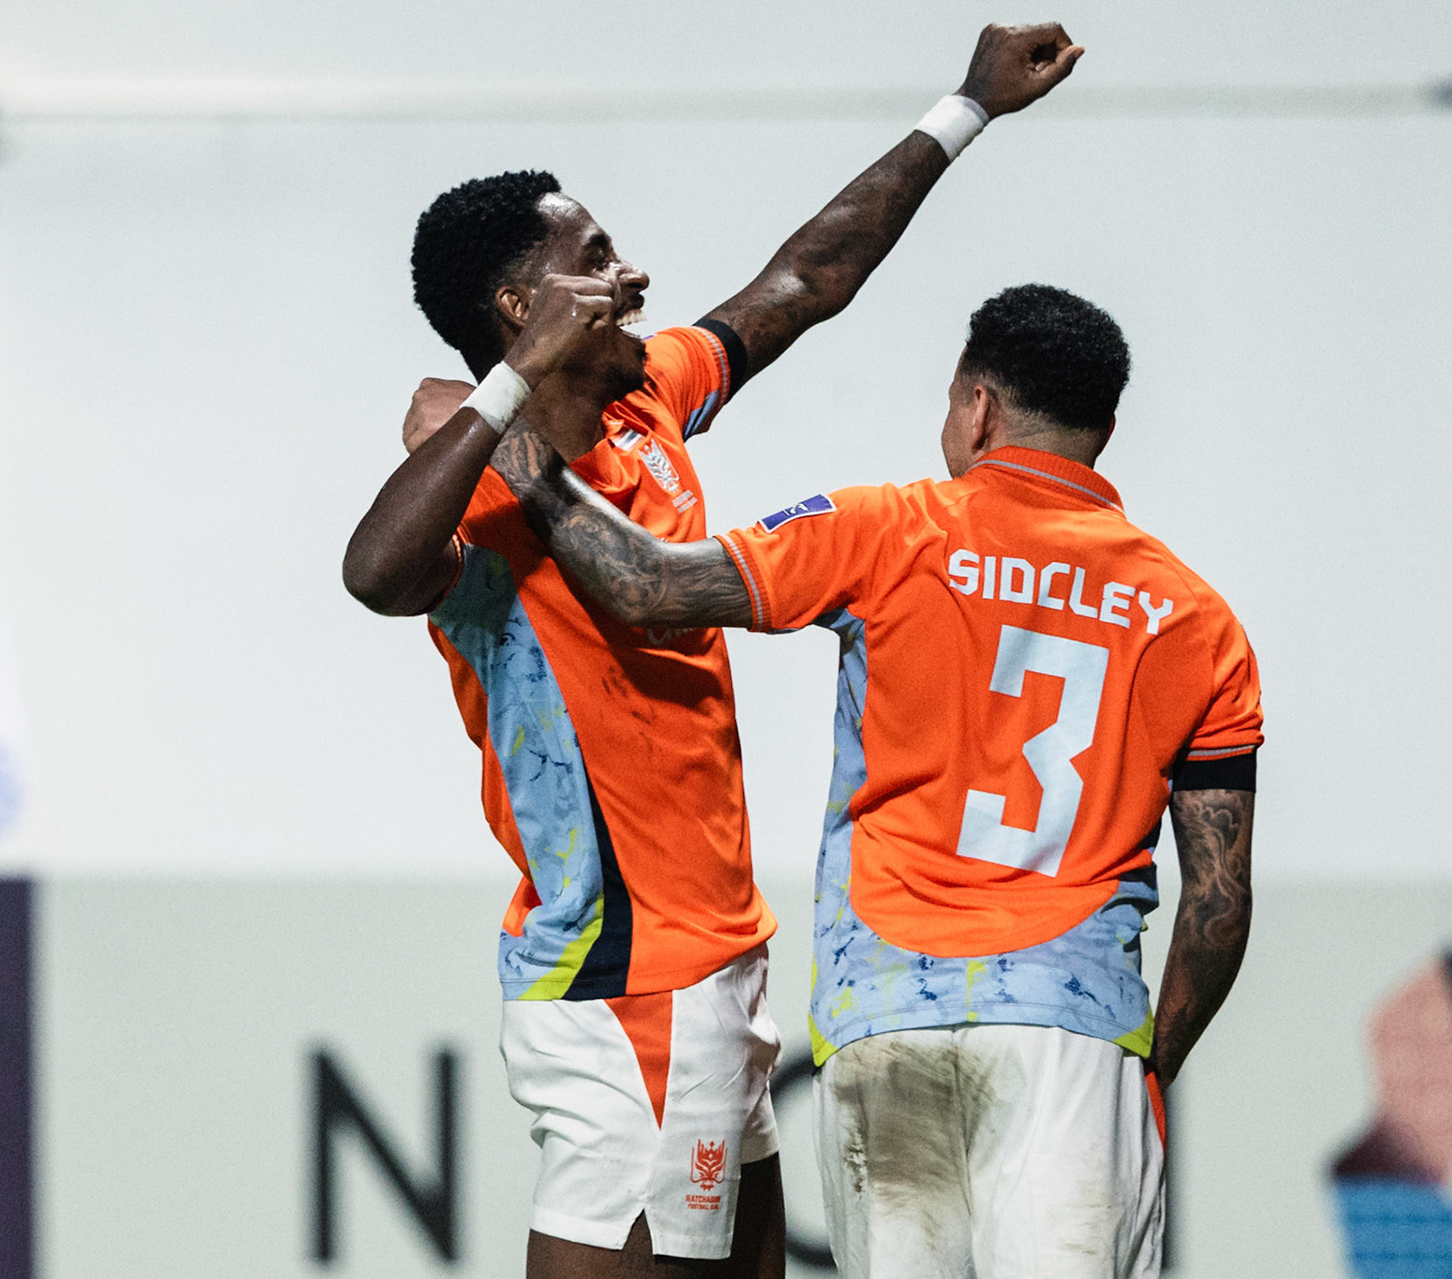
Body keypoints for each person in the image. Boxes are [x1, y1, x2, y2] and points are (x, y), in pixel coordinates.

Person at [340, 27, 1084, 1279]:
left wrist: (967, 107)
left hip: (719, 967)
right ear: (524, 309)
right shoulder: (481, 494)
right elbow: (372, 573)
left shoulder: (644, 401)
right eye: (595, 260)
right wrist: (504, 391)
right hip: (627, 979)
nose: (633, 277)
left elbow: (803, 282)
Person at [490, 284, 1262, 1279]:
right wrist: (1150, 1064)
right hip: (1072, 1029)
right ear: (1104, 429)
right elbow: (1220, 902)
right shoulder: (1193, 617)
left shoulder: (886, 530)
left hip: (886, 1021)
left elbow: (647, 586)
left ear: (976, 405)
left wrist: (531, 471)